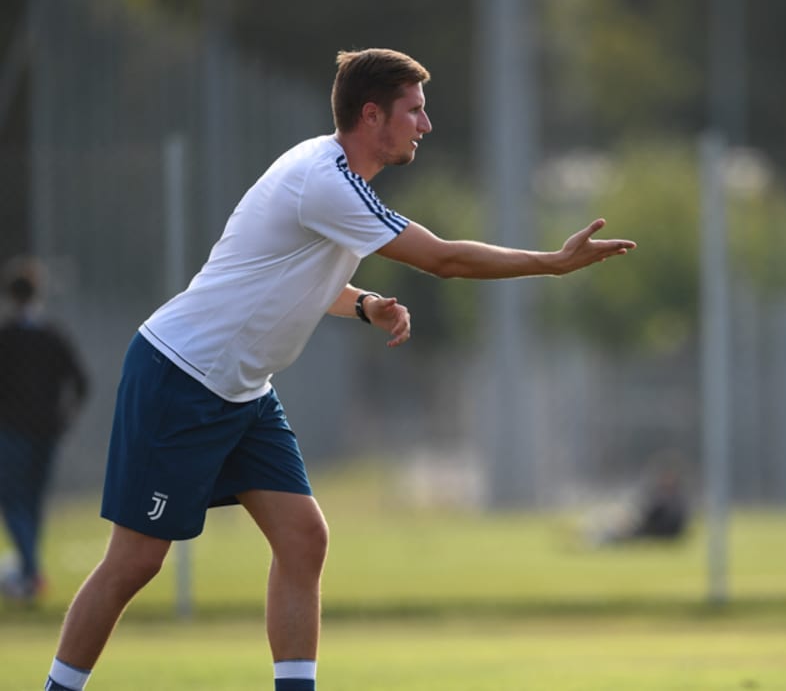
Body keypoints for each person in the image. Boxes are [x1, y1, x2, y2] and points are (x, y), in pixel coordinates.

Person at [42, 47, 636, 691]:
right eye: (414, 111)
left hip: (243, 392)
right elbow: (443, 259)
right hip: (181, 377)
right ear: (373, 115)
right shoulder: (324, 180)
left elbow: (290, 278)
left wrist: (365, 305)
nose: (426, 126)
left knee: (303, 538)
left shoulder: (335, 181)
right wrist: (550, 262)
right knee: (134, 563)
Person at [0, 257, 89, 604]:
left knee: (14, 501)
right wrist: (64, 419)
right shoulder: (53, 337)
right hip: (47, 433)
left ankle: (30, 572)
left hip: (12, 432)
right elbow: (81, 381)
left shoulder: (6, 339)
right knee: (33, 503)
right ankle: (27, 573)